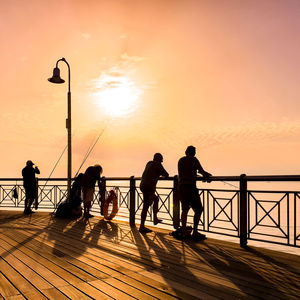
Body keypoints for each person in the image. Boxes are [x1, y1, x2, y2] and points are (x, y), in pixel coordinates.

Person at [178, 146, 212, 240]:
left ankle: (184, 232)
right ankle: (195, 232)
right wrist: (207, 176)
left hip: (181, 187)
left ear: (186, 152)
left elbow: (183, 173)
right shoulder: (194, 160)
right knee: (199, 209)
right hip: (191, 188)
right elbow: (202, 171)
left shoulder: (181, 160)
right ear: (194, 153)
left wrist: (193, 174)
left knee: (184, 210)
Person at [139, 153, 169, 233]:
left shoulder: (149, 163)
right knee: (146, 206)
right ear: (159, 159)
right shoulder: (158, 164)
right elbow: (166, 174)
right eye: (161, 160)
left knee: (155, 200)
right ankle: (142, 226)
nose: (161, 162)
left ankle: (154, 219)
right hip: (149, 187)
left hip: (143, 186)